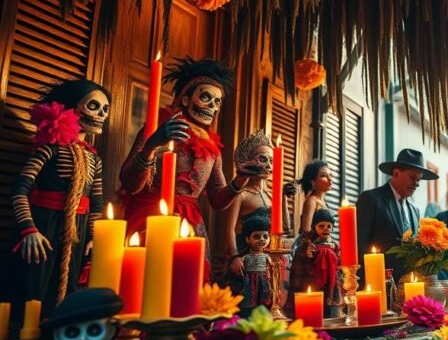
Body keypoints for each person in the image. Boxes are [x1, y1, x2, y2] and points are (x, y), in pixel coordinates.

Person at [119, 57, 252, 267]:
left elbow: (217, 199)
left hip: (191, 226)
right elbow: (130, 183)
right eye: (206, 97)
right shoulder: (156, 129)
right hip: (150, 219)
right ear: (185, 100)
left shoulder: (212, 148)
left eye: (217, 102)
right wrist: (152, 145)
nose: (212, 107)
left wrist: (239, 181)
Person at [12, 79, 109, 314]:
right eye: (93, 106)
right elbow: (20, 189)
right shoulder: (50, 148)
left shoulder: (94, 158)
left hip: (78, 230)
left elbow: (96, 203)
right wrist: (29, 230)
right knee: (37, 287)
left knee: (69, 288)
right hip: (45, 226)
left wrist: (92, 237)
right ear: (70, 107)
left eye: (106, 109)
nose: (101, 115)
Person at [356, 149, 438, 279]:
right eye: (412, 177)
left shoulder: (414, 210)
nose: (416, 184)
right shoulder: (371, 199)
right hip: (378, 282)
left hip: (409, 286)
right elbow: (360, 244)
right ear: (396, 173)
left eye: (419, 180)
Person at [222, 130, 294, 277]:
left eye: (272, 161)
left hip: (266, 255)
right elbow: (229, 229)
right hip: (244, 254)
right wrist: (235, 257)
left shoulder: (271, 196)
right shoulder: (242, 194)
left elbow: (286, 227)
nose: (268, 165)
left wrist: (283, 198)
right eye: (262, 159)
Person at [289, 208, 339, 315]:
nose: (326, 229)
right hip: (313, 280)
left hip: (331, 280)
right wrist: (309, 255)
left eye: (329, 226)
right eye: (321, 226)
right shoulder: (308, 245)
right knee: (315, 307)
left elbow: (339, 261)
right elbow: (301, 265)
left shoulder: (334, 245)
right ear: (314, 226)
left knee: (329, 307)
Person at [298, 160, 332, 235]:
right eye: (324, 176)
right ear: (313, 181)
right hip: (313, 245)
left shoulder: (325, 203)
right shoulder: (311, 201)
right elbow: (306, 230)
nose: (330, 179)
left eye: (330, 175)